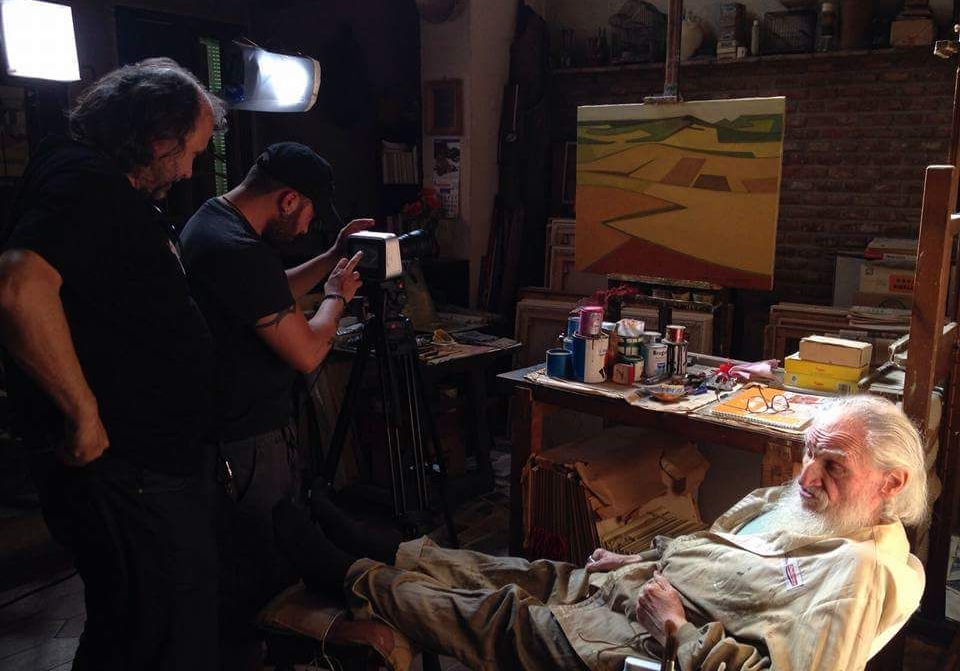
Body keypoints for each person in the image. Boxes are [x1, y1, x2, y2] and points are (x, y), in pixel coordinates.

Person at [273, 394, 928, 671]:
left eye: (832, 465)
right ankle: (375, 547)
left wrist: (677, 629)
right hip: (639, 586)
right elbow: (724, 557)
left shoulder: (862, 574)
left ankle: (348, 571)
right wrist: (647, 557)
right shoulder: (824, 518)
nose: (807, 476)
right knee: (511, 571)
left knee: (497, 613)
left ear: (892, 483)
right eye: (809, 453)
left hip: (642, 643)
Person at [0, 59, 225, 670]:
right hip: (129, 470)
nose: (190, 169)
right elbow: (20, 287)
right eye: (191, 151)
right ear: (158, 139)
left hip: (146, 465)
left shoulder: (91, 178)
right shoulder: (82, 182)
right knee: (161, 632)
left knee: (135, 625)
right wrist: (83, 413)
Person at [178, 142, 372, 669]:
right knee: (261, 569)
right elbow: (309, 353)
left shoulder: (213, 221)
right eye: (309, 213)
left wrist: (333, 256)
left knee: (246, 564)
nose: (308, 227)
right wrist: (336, 297)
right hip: (244, 440)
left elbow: (267, 290)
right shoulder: (238, 250)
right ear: (288, 199)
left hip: (229, 431)